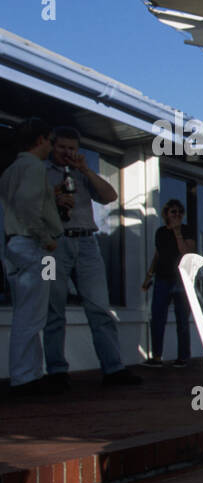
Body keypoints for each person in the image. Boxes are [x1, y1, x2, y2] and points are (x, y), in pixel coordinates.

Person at [43, 126, 140, 388]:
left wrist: (85, 170)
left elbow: (110, 196)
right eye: (62, 147)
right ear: (52, 146)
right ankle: (56, 372)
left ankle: (113, 368)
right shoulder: (42, 172)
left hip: (87, 243)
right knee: (53, 309)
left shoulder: (82, 174)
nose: (67, 153)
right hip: (54, 244)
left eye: (72, 148)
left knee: (99, 308)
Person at [1, 118, 63, 394]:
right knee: (33, 315)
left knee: (25, 314)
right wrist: (46, 239)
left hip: (15, 246)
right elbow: (28, 206)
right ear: (40, 140)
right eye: (50, 140)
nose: (51, 146)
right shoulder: (34, 167)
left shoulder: (10, 170)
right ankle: (26, 378)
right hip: (33, 247)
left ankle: (29, 374)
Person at [141, 199, 196, 366]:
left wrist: (178, 232)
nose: (177, 215)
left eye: (180, 212)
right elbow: (158, 255)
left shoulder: (187, 230)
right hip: (162, 279)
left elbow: (187, 252)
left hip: (182, 280)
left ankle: (183, 358)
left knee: (182, 321)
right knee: (157, 318)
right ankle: (157, 357)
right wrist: (148, 276)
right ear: (166, 214)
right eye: (174, 212)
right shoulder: (160, 232)